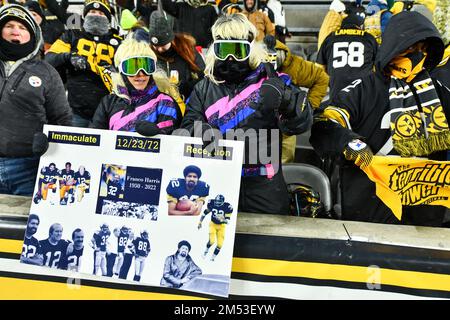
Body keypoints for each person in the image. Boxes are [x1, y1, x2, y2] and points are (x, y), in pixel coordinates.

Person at [310, 11, 449, 226]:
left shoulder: (438, 92)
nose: (417, 56)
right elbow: (325, 122)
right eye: (412, 48)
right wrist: (350, 143)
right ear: (394, 46)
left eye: (424, 50)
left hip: (425, 219)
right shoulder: (363, 88)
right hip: (369, 212)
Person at [180, 14, 312, 215]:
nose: (230, 59)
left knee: (266, 244)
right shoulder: (203, 89)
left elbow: (300, 123)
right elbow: (187, 126)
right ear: (214, 51)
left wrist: (286, 101)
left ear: (250, 49)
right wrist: (200, 131)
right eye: (224, 51)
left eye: (238, 51)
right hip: (217, 181)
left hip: (263, 186)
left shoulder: (273, 81)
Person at [0, 4, 71, 197]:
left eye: (23, 27)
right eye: (9, 25)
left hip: (29, 168)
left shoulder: (47, 72)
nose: (16, 31)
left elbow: (62, 121)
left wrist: (50, 143)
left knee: (23, 226)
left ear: (33, 35)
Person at [46, 0, 123, 127]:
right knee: (74, 145)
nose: (96, 15)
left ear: (108, 19)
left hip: (108, 109)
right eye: (92, 12)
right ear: (85, 16)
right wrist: (69, 57)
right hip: (77, 109)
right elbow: (49, 59)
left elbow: (128, 72)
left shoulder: (118, 41)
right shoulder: (72, 35)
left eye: (100, 13)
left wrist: (114, 71)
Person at [90, 34, 182, 134]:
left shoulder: (164, 102)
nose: (140, 74)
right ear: (121, 71)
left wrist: (159, 132)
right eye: (132, 68)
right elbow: (96, 138)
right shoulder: (109, 102)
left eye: (146, 66)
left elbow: (172, 140)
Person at [264, 35, 329, 163]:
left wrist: (308, 106)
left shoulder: (293, 64)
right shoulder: (248, 62)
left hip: (285, 129)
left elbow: (321, 78)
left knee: (286, 170)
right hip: (257, 128)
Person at [316, 14, 378, 101]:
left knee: (337, 112)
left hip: (337, 85)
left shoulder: (330, 38)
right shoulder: (369, 38)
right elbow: (378, 66)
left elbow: (319, 67)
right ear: (360, 26)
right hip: (362, 86)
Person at [148, 11, 205, 101]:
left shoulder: (187, 49)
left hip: (187, 100)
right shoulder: (150, 55)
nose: (159, 50)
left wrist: (187, 86)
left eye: (163, 46)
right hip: (162, 103)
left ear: (171, 40)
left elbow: (202, 74)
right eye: (156, 46)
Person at [198, 194, 233, 261]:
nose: (217, 203)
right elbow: (205, 213)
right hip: (213, 224)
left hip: (222, 226)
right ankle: (205, 252)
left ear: (223, 202)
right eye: (216, 201)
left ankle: (212, 258)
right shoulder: (211, 203)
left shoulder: (227, 207)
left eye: (219, 202)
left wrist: (223, 219)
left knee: (220, 244)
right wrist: (200, 222)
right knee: (212, 241)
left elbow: (228, 221)